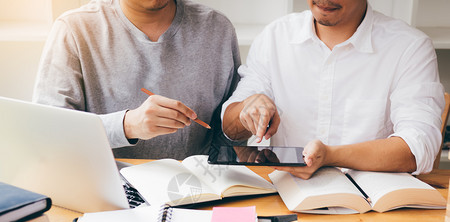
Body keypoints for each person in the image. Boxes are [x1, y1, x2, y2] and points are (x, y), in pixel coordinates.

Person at [221, 0, 445, 179]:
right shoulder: (275, 37)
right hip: (287, 197)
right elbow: (229, 127)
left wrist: (330, 156)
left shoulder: (409, 46)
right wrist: (247, 110)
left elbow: (418, 149)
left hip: (371, 207)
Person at [33, 0, 240, 160]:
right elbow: (49, 133)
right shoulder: (74, 28)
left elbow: (227, 135)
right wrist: (127, 126)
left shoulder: (217, 28)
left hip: (195, 194)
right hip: (105, 195)